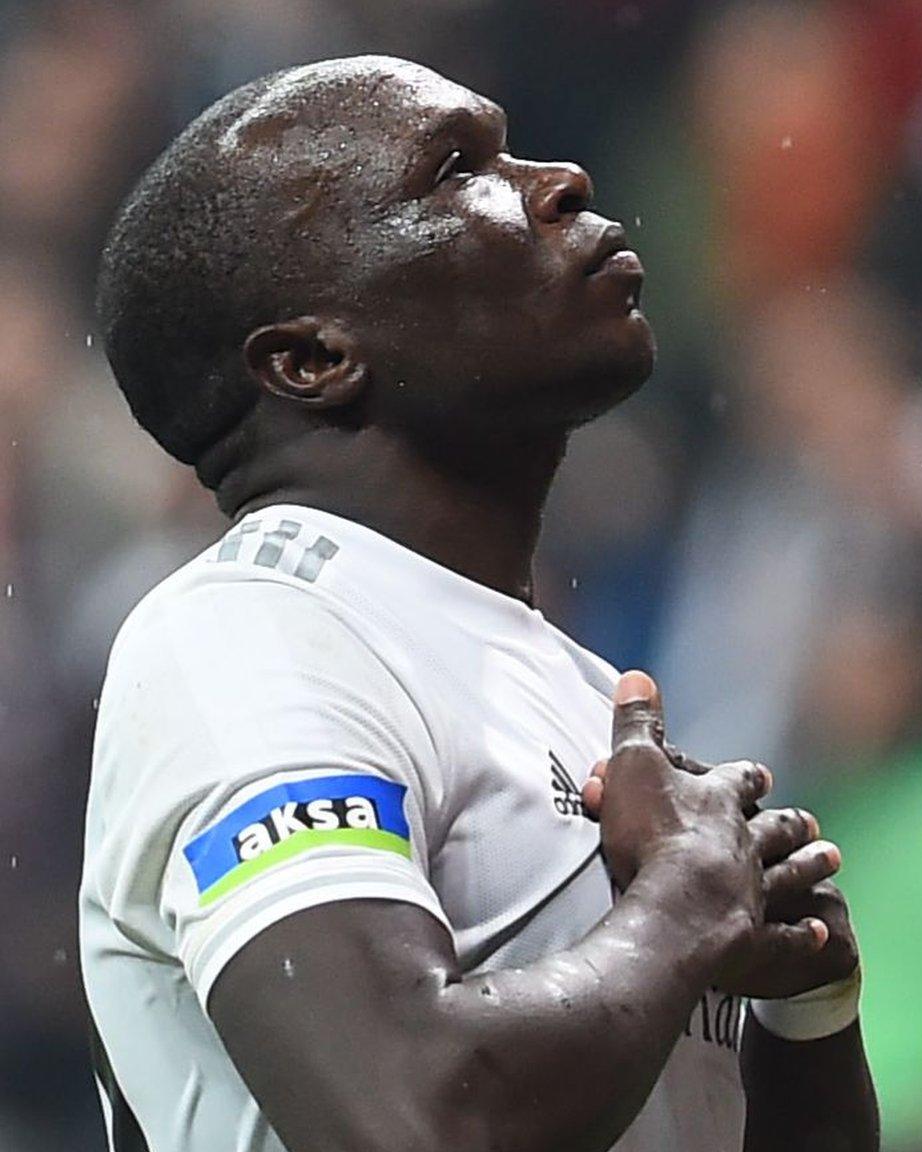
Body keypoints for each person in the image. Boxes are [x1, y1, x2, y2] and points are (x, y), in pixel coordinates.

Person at [77, 55, 879, 1152]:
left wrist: (807, 1014)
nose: (561, 180)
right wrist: (688, 910)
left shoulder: (581, 691)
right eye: (456, 172)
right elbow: (411, 1120)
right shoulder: (238, 636)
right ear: (312, 359)